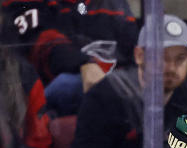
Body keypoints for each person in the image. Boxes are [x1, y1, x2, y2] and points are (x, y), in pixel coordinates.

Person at [68, 14, 187, 148]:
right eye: (162, 57)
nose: (172, 67)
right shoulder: (105, 97)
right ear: (139, 55)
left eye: (180, 58)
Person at [0, 0, 137, 115]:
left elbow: (134, 49)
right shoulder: (27, 4)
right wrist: (85, 65)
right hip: (47, 98)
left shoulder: (113, 5)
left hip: (113, 88)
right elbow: (43, 42)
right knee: (67, 85)